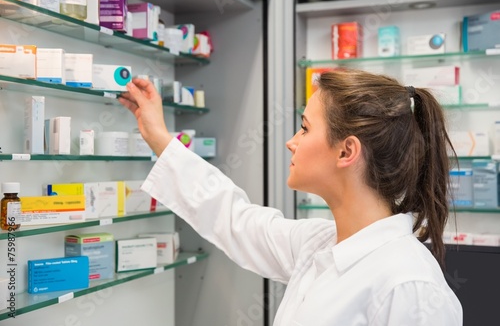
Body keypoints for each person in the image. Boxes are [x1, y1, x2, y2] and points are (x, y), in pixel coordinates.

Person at [118, 68, 463, 325]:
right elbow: (235, 219)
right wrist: (159, 137)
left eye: (305, 127)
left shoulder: (408, 284)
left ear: (346, 152)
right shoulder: (320, 244)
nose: (291, 142)